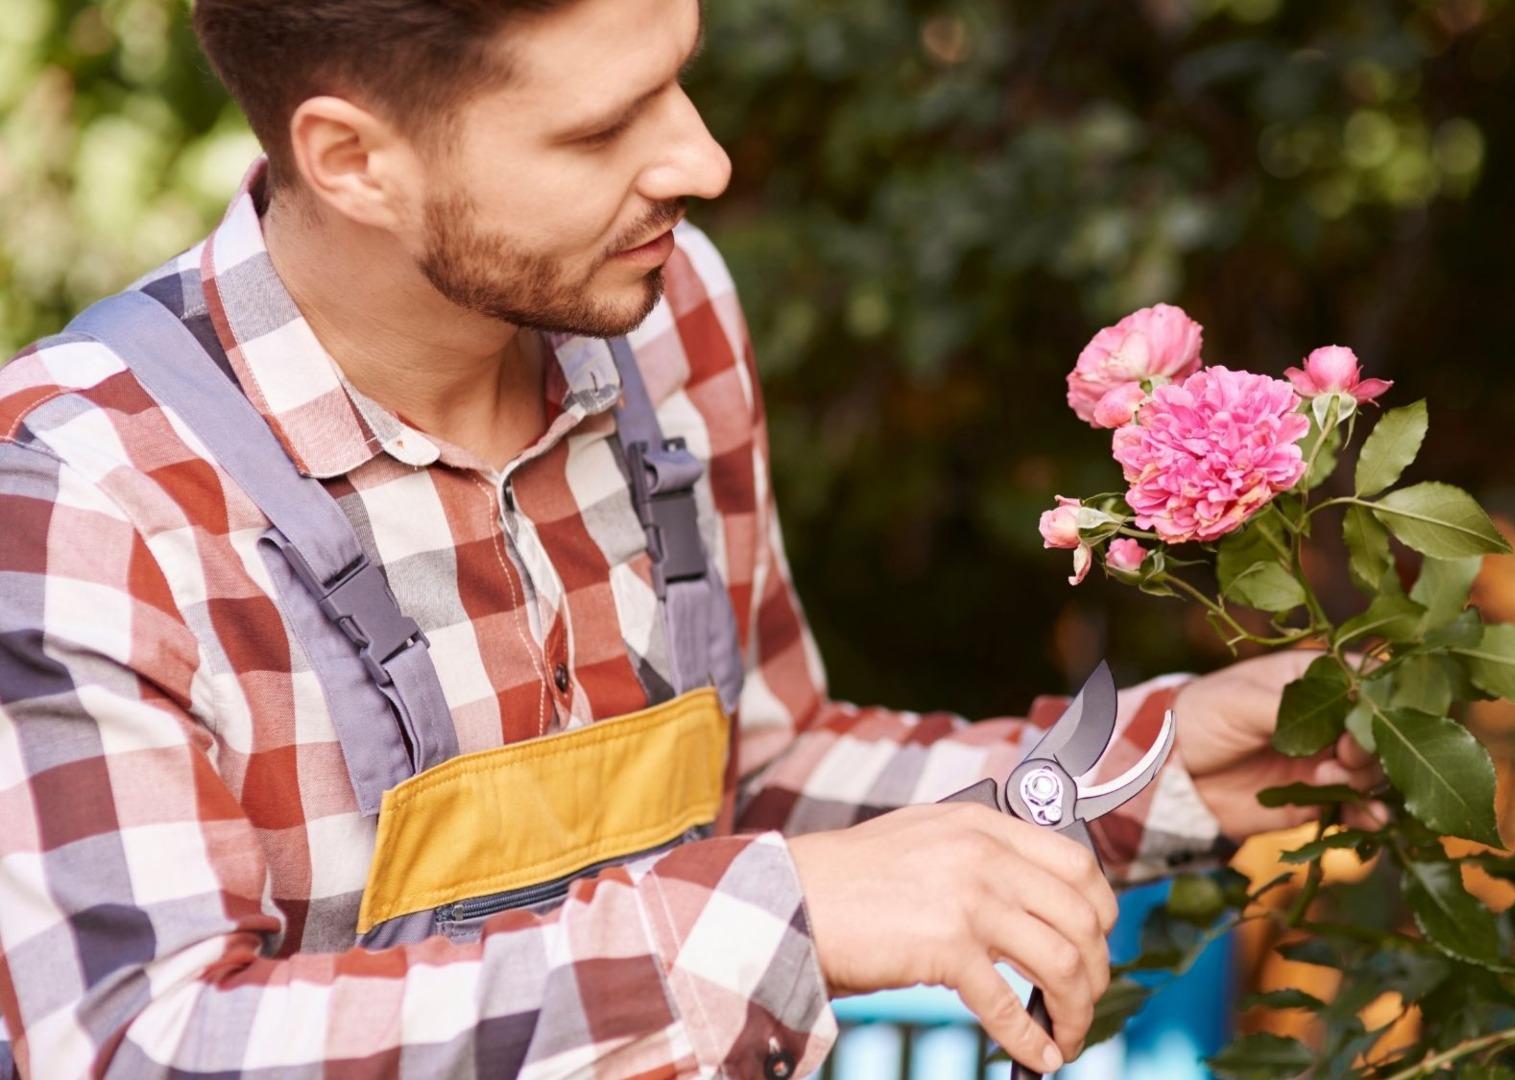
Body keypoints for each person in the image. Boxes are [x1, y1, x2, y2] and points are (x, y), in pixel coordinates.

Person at [0, 1, 1382, 1076]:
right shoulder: (86, 492)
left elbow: (753, 772)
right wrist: (767, 925)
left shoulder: (663, 316)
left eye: (681, 69)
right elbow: (139, 1047)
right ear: (355, 159)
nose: (705, 162)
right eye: (601, 132)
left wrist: (1146, 772)